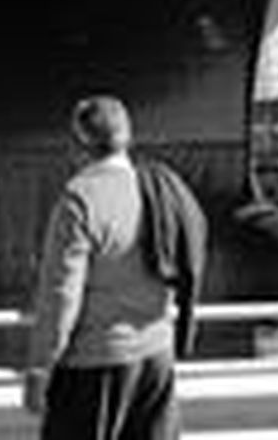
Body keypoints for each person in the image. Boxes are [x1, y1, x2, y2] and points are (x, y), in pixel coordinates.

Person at [22, 94, 207, 440]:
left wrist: (39, 369)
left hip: (93, 365)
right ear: (127, 137)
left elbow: (62, 297)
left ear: (78, 144)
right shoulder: (160, 187)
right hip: (155, 357)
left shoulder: (79, 199)